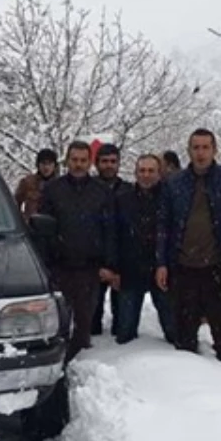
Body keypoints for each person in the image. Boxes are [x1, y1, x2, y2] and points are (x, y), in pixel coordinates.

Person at [155, 128, 221, 362]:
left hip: (219, 266)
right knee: (185, 332)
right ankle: (190, 384)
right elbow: (163, 226)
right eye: (196, 147)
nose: (200, 153)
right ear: (189, 151)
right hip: (183, 267)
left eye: (205, 147)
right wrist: (161, 263)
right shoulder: (174, 184)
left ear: (214, 150)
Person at [38, 140, 118, 361]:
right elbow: (43, 228)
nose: (79, 165)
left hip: (89, 268)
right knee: (57, 321)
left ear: (90, 162)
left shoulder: (101, 192)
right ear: (67, 160)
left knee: (84, 322)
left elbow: (109, 230)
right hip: (59, 266)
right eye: (75, 160)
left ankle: (79, 364)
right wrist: (44, 263)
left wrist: (109, 263)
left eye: (83, 160)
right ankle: (56, 363)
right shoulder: (53, 190)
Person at [111, 153, 175, 345]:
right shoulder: (122, 199)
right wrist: (113, 267)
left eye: (151, 171)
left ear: (159, 173)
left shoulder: (169, 198)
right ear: (136, 173)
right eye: (142, 171)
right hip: (130, 270)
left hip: (162, 271)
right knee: (125, 332)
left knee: (174, 330)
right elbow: (113, 234)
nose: (146, 175)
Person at [91, 143, 129, 336]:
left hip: (123, 263)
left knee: (124, 325)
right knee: (91, 323)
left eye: (113, 161)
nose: (109, 165)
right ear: (96, 163)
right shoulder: (88, 190)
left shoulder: (129, 191)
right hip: (93, 263)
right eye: (104, 161)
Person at [14, 148, 58, 220]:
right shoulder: (27, 182)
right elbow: (15, 204)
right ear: (38, 165)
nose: (46, 167)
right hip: (31, 226)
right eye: (43, 163)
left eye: (49, 163)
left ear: (54, 165)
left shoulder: (61, 185)